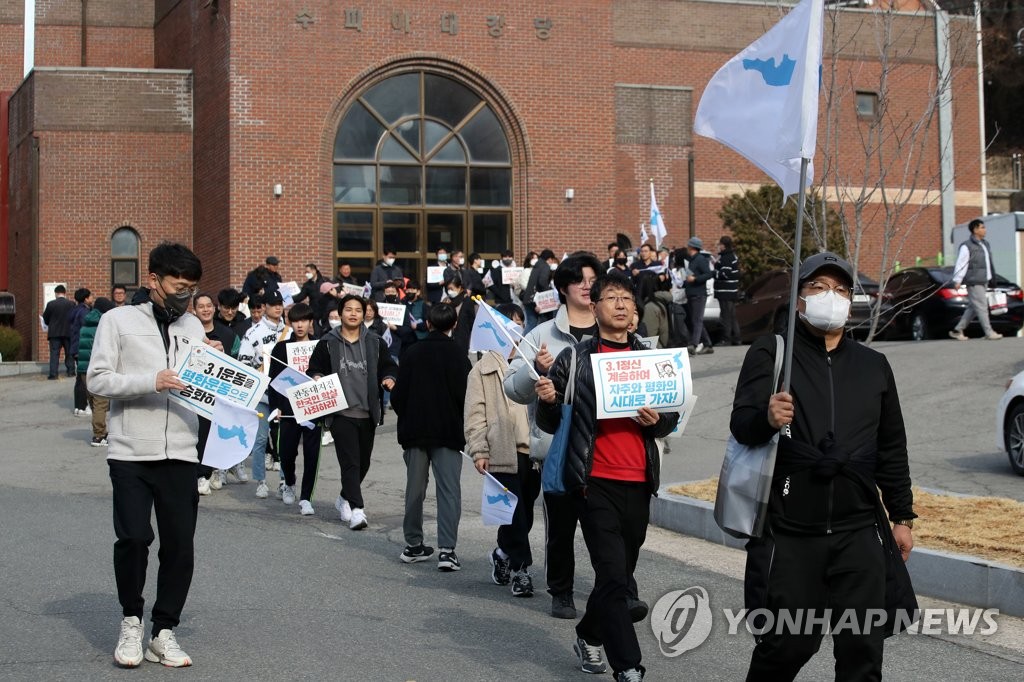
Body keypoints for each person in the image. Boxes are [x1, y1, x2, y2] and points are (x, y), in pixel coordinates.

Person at [731, 252, 916, 681]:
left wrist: (902, 515)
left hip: (858, 531)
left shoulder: (874, 366)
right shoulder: (771, 353)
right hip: (792, 531)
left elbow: (892, 447)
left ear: (851, 302)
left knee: (862, 650)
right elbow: (742, 425)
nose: (829, 297)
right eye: (817, 288)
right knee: (788, 644)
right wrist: (766, 418)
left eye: (839, 290)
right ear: (798, 300)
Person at [535, 270, 679, 681]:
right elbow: (548, 421)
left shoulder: (650, 357)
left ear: (634, 311)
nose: (619, 304)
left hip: (638, 481)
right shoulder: (576, 358)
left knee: (618, 577)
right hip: (592, 480)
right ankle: (629, 666)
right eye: (610, 297)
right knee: (613, 574)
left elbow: (669, 419)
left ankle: (588, 634)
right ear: (594, 307)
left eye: (626, 298)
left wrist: (656, 421)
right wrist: (546, 399)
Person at [87, 242, 207, 668]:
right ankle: (132, 620)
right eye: (179, 286)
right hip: (130, 453)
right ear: (154, 279)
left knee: (180, 546)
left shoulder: (193, 326)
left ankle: (164, 630)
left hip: (181, 451)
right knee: (134, 538)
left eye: (192, 288)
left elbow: (202, 382)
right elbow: (98, 380)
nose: (186, 296)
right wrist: (150, 381)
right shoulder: (116, 320)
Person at [504, 252, 605, 620]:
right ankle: (561, 591)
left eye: (593, 279)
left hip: (605, 446)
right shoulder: (541, 334)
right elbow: (512, 387)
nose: (587, 286)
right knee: (560, 529)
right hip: (558, 449)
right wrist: (536, 373)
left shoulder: (614, 331)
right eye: (579, 279)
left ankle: (617, 587)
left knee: (608, 528)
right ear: (563, 288)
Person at [391, 302, 471, 569]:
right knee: (449, 491)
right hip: (448, 431)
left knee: (414, 489)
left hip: (414, 430)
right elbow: (465, 398)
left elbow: (398, 396)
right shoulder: (459, 355)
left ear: (428, 323)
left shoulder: (412, 353)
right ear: (454, 325)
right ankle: (447, 551)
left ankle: (413, 544)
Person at [307, 295, 397, 530]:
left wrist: (389, 378)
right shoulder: (327, 342)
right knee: (350, 462)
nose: (354, 313)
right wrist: (316, 376)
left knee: (363, 462)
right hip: (340, 413)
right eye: (348, 309)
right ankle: (357, 510)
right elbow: (314, 367)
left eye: (359, 309)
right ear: (340, 313)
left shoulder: (375, 342)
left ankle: (345, 497)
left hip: (367, 412)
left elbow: (388, 366)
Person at [466, 303, 539, 596]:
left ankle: (502, 554)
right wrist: (479, 449)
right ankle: (523, 571)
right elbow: (474, 414)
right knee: (517, 514)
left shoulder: (532, 362)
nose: (514, 330)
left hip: (533, 453)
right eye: (508, 324)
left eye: (518, 324)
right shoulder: (481, 370)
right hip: (501, 451)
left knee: (524, 514)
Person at [269, 302, 322, 516]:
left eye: (304, 321)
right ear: (290, 323)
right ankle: (289, 482)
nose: (299, 326)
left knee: (312, 456)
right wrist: (276, 408)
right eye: (295, 321)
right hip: (288, 410)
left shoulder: (320, 346)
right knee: (286, 452)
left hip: (313, 409)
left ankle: (307, 498)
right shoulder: (281, 348)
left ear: (310, 322)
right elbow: (273, 379)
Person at [237, 290, 289, 498]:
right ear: (264, 306)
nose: (278, 307)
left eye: (280, 304)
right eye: (273, 304)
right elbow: (243, 363)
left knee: (284, 439)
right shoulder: (253, 332)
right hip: (262, 393)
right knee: (260, 439)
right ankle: (261, 480)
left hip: (285, 392)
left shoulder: (290, 331)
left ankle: (286, 481)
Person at [192, 292, 239, 494]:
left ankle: (213, 471)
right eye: (200, 306)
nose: (205, 309)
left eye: (208, 305)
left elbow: (238, 365)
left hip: (222, 394)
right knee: (200, 433)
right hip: (196, 393)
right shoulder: (189, 333)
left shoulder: (228, 335)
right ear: (194, 310)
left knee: (217, 434)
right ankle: (201, 475)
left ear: (215, 308)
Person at [950, 219, 1002, 341]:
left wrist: (991, 278)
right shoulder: (967, 246)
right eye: (982, 227)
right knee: (982, 306)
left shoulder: (985, 244)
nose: (985, 230)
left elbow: (988, 264)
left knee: (973, 307)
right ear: (975, 230)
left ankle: (957, 330)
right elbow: (961, 263)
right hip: (974, 281)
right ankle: (989, 333)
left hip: (984, 280)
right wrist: (957, 280)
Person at [77, 297, 116, 446]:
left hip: (83, 369)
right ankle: (99, 435)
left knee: (93, 402)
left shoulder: (86, 324)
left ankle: (99, 431)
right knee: (101, 402)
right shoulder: (103, 326)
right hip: (97, 368)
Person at [684, 237, 714, 355]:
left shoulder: (700, 259)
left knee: (697, 320)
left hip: (698, 294)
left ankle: (694, 344)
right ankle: (708, 344)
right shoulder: (691, 259)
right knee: (696, 320)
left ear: (691, 246)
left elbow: (708, 274)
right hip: (691, 293)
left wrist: (695, 279)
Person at [714, 235, 742, 346]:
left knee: (726, 316)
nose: (719, 246)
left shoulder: (726, 257)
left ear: (724, 246)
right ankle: (737, 337)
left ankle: (726, 339)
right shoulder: (733, 256)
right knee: (732, 315)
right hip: (732, 290)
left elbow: (725, 273)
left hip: (725, 291)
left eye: (720, 244)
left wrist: (714, 273)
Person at [522, 249, 559, 331]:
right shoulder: (545, 266)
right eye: (552, 260)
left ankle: (523, 341)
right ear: (549, 259)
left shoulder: (537, 265)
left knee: (530, 323)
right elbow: (542, 282)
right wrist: (549, 294)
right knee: (541, 324)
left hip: (528, 299)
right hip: (536, 301)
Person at [443, 271, 477, 355]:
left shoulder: (467, 300)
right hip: (447, 336)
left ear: (459, 287)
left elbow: (471, 320)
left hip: (461, 337)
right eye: (448, 289)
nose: (449, 291)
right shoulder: (446, 300)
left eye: (452, 289)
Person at [635, 272, 672, 348]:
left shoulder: (649, 307)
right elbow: (664, 331)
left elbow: (649, 335)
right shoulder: (658, 304)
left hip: (651, 348)